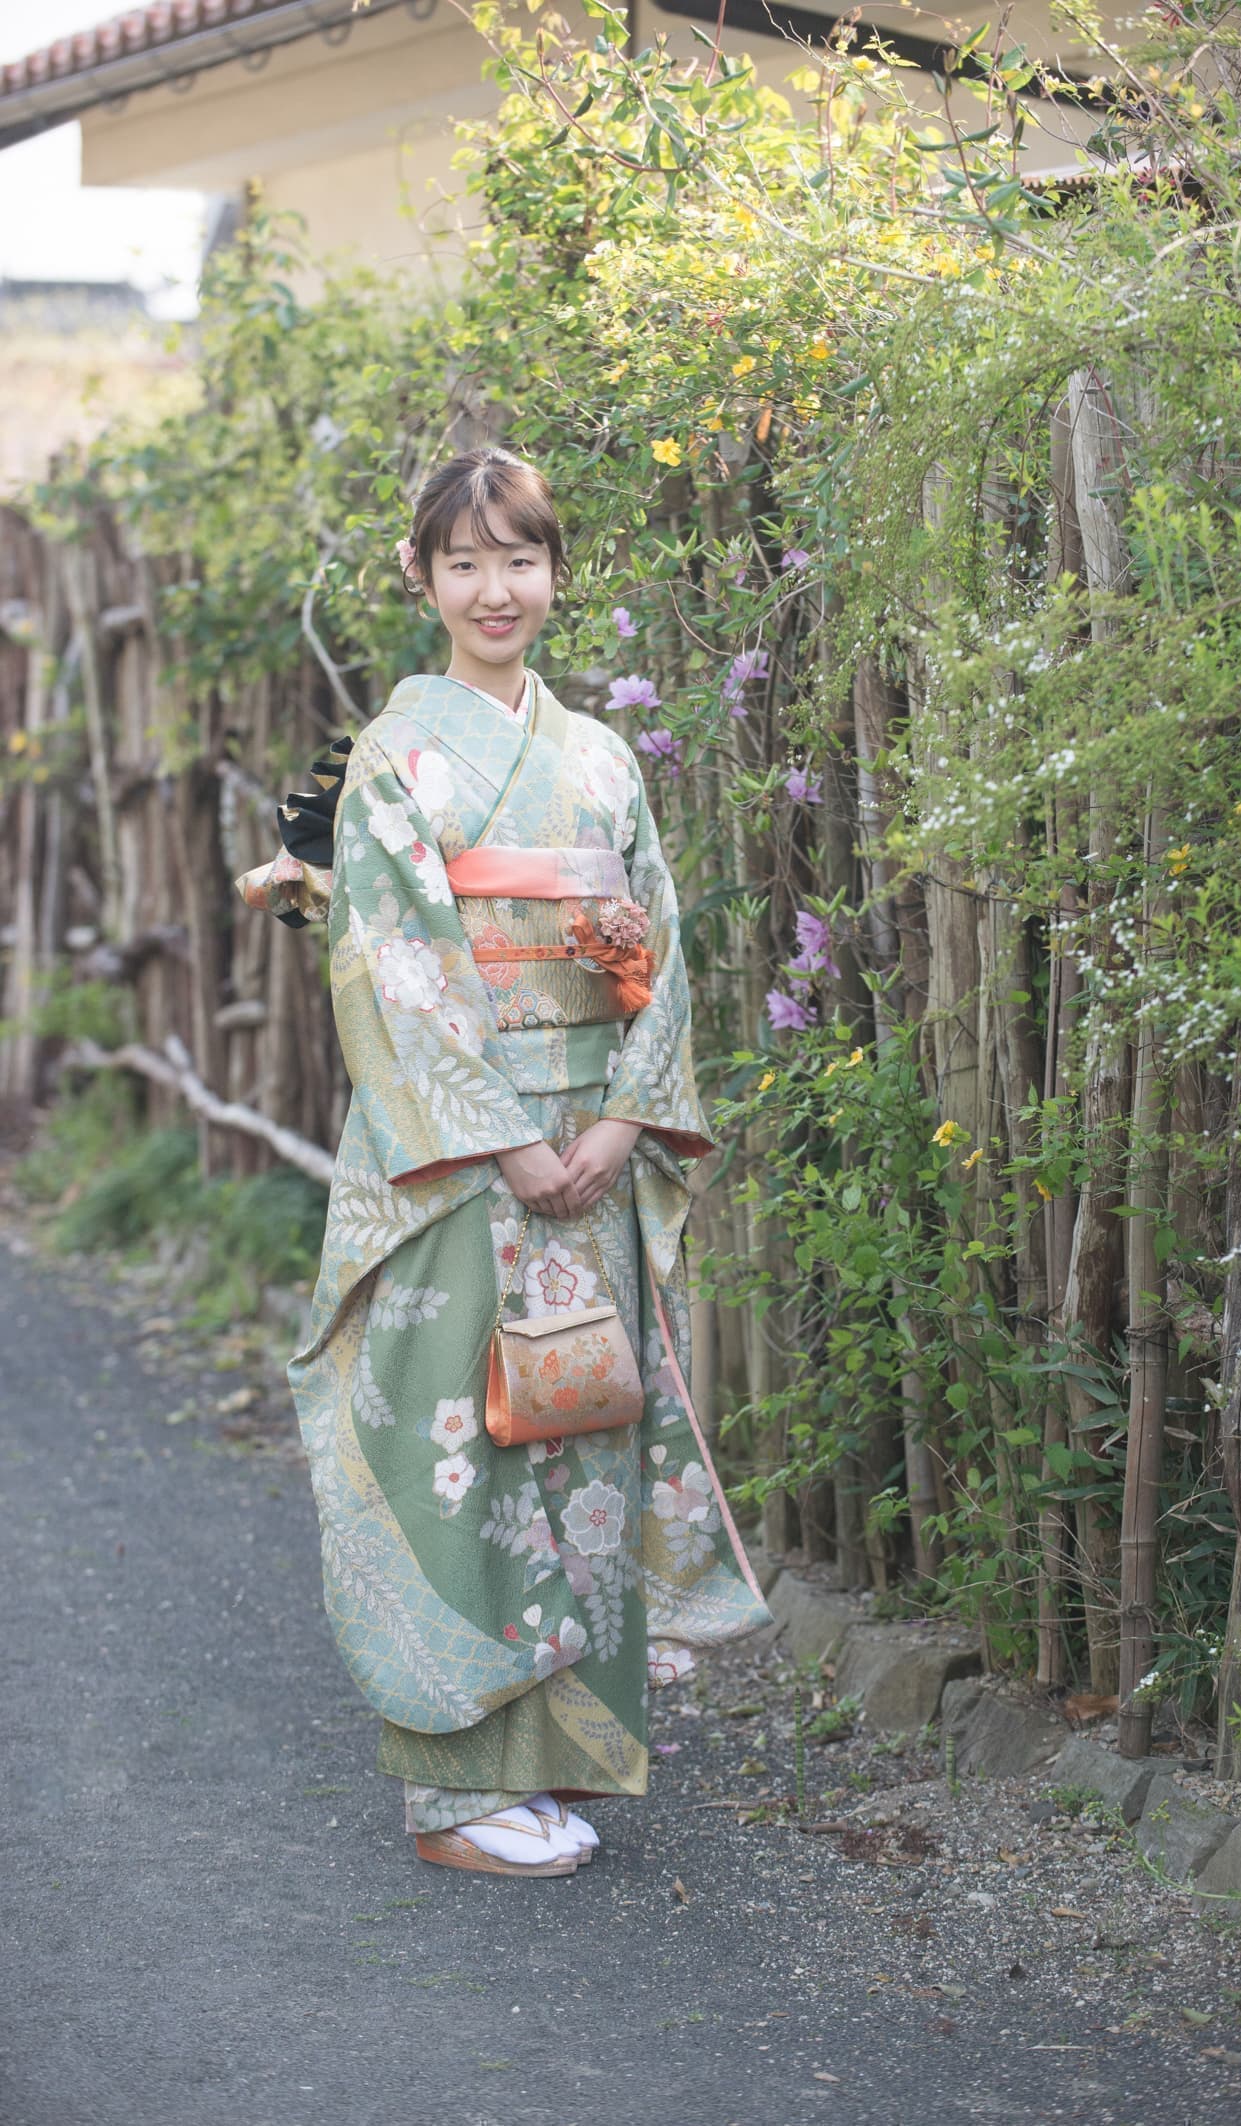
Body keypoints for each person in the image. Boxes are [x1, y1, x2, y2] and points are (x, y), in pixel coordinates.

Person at [237, 446, 770, 1876]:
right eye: (464, 562)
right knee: (463, 1439)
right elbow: (396, 968)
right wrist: (513, 1142)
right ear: (421, 577)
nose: (495, 589)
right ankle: (458, 1793)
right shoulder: (395, 760)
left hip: (591, 1137)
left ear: (554, 573)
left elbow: (655, 952)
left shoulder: (599, 759)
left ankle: (555, 1760)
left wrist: (620, 1122)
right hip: (461, 1157)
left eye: (518, 560)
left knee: (580, 1424)